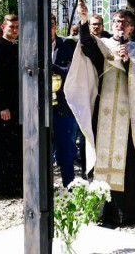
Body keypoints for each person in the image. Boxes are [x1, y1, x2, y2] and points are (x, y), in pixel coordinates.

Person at [65, 4, 135, 227]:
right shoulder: (103, 45)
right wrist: (84, 20)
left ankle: (128, 212)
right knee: (101, 160)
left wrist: (128, 63)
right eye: (115, 22)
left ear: (132, 28)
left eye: (124, 23)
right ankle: (102, 211)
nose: (119, 26)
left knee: (128, 163)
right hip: (103, 113)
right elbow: (86, 46)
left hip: (128, 118)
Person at [0, 14, 23, 197]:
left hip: (17, 106)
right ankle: (1, 187)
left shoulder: (17, 48)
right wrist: (2, 106)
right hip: (4, 108)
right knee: (2, 148)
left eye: (17, 27)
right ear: (3, 27)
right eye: (11, 27)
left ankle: (15, 185)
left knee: (15, 147)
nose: (15, 30)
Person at [50, 14, 79, 186]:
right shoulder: (32, 45)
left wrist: (49, 66)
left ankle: (69, 187)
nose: (49, 27)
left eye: (52, 24)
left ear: (55, 26)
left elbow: (69, 70)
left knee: (67, 150)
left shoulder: (67, 45)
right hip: (40, 107)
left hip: (63, 106)